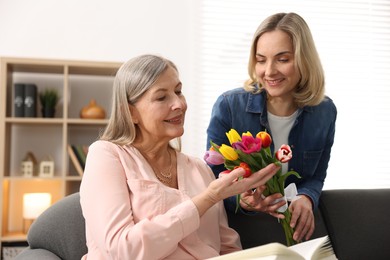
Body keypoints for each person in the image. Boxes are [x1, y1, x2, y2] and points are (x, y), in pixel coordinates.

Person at [79, 54, 281, 259]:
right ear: (130, 112)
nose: (179, 104)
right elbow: (122, 251)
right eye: (161, 97)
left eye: (178, 91)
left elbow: (228, 249)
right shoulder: (107, 155)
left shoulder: (199, 169)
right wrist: (208, 198)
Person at [206, 12, 337, 244]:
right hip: (241, 229)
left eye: (283, 59)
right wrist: (242, 200)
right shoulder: (229, 106)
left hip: (295, 231)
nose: (269, 71)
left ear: (304, 59)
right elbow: (211, 181)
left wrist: (307, 197)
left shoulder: (324, 111)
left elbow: (316, 176)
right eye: (261, 59)